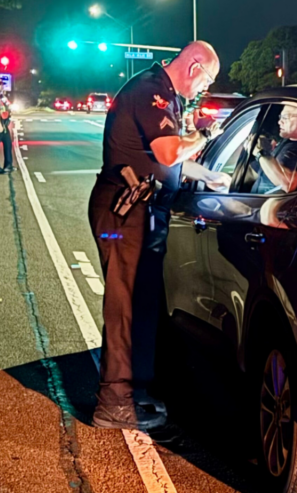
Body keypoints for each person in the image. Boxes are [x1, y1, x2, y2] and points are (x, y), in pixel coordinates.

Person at [89, 41, 230, 430]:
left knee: (142, 301)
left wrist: (209, 176)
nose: (203, 89)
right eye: (206, 80)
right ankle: (114, 401)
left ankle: (133, 390)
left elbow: (165, 162)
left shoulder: (166, 93)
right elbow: (169, 153)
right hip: (125, 209)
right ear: (194, 66)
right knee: (126, 303)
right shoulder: (151, 90)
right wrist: (206, 136)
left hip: (142, 209)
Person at [251, 104, 297, 194]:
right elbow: (261, 174)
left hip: (265, 205)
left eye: (285, 117)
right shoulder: (284, 142)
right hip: (257, 201)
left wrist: (261, 153)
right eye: (280, 117)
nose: (279, 122)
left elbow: (287, 184)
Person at [0, 85, 14, 172]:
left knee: (8, 144)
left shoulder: (2, 96)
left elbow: (8, 106)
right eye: (0, 85)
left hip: (4, 123)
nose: (2, 86)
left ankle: (8, 165)